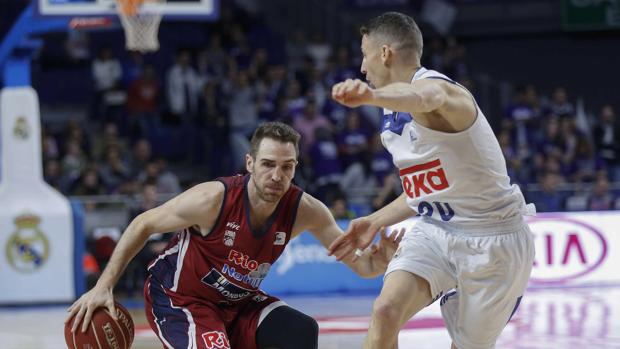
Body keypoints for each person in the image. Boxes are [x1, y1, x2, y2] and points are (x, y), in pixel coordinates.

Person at [66, 122, 403, 349]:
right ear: (250, 163)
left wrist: (378, 263)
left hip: (237, 302)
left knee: (300, 332)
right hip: (180, 297)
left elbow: (359, 265)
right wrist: (103, 285)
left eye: (287, 167)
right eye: (268, 164)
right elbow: (143, 224)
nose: (277, 175)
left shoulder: (307, 210)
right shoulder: (213, 198)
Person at [329, 12, 536, 349]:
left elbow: (424, 99)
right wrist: (374, 220)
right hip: (436, 228)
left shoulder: (443, 92)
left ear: (385, 53)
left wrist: (369, 96)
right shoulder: (389, 109)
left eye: (365, 55)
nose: (363, 68)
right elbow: (424, 189)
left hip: (494, 239)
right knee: (385, 311)